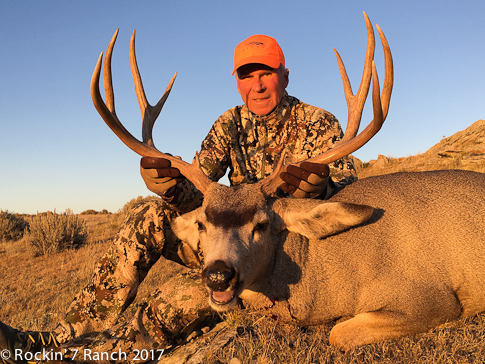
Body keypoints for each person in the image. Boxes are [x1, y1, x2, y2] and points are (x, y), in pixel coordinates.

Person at [0, 34, 356, 363]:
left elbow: (350, 197)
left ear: (285, 75)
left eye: (267, 73)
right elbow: (199, 192)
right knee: (148, 214)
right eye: (247, 76)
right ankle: (58, 340)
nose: (257, 85)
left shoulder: (318, 123)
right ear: (237, 82)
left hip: (280, 255)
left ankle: (74, 357)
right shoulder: (228, 124)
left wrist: (320, 189)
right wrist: (168, 186)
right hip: (222, 243)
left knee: (179, 298)